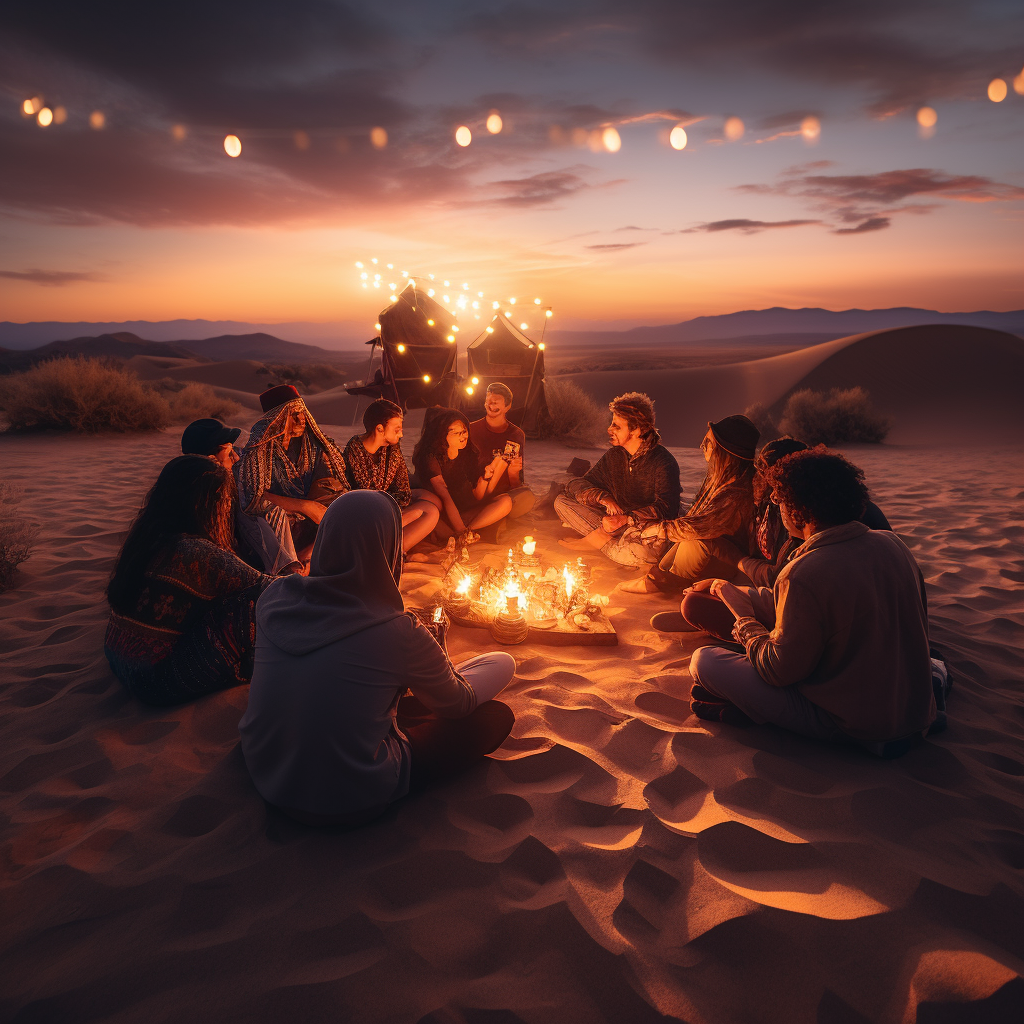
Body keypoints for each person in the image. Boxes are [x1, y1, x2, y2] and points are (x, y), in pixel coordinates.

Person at [238, 490, 517, 825]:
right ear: (391, 548)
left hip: (265, 771)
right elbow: (457, 705)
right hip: (350, 797)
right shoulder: (396, 629)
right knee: (495, 717)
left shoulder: (276, 596)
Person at [687, 447, 936, 753]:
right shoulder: (893, 544)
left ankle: (753, 713)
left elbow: (777, 671)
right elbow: (818, 606)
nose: (776, 508)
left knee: (705, 661)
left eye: (778, 500)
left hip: (855, 726)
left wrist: (744, 620)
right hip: (916, 712)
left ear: (798, 509)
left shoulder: (804, 571)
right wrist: (738, 593)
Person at [678, 439, 894, 637]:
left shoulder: (814, 536)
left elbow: (778, 665)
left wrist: (745, 624)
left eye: (766, 471)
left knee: (703, 654)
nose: (758, 476)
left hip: (823, 641)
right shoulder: (888, 545)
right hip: (825, 619)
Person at [104, 455, 273, 706]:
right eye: (225, 500)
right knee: (251, 605)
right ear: (204, 504)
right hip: (156, 683)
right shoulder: (195, 553)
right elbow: (274, 589)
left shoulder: (148, 537)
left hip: (120, 660)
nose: (228, 508)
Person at [618, 414, 758, 593]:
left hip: (731, 563)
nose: (702, 447)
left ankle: (664, 583)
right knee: (684, 533)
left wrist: (662, 529)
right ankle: (657, 576)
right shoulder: (723, 480)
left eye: (707, 443)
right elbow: (695, 519)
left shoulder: (737, 493)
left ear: (724, 450)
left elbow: (702, 526)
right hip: (719, 553)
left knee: (694, 538)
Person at [554, 392, 680, 567]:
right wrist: (602, 497)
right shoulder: (615, 455)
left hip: (642, 529)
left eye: (616, 426)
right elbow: (577, 484)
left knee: (644, 554)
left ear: (636, 430)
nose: (609, 429)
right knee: (562, 502)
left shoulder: (663, 462)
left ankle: (599, 541)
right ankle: (608, 542)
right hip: (611, 523)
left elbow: (668, 507)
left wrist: (627, 519)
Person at [236, 385, 349, 574]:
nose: (301, 419)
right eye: (293, 415)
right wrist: (304, 506)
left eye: (302, 413)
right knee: (272, 514)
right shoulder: (260, 451)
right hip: (278, 523)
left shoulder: (313, 446)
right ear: (276, 418)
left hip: (307, 522)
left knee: (342, 502)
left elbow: (328, 484)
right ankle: (290, 570)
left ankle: (309, 557)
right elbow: (255, 500)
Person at [343, 398, 440, 555]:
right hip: (367, 516)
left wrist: (399, 503)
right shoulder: (355, 450)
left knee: (432, 503)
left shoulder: (391, 449)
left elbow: (402, 486)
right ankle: (389, 552)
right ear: (380, 428)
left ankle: (395, 546)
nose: (401, 434)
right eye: (397, 429)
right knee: (428, 511)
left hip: (389, 505)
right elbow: (367, 494)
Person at [412, 407, 513, 540]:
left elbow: (477, 495)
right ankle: (461, 532)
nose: (463, 436)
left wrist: (485, 478)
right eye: (455, 433)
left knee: (506, 501)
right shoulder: (431, 457)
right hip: (443, 513)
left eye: (464, 431)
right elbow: (444, 496)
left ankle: (468, 531)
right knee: (442, 524)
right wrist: (460, 529)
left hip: (465, 509)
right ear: (442, 435)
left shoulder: (467, 452)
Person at [469, 383, 536, 521]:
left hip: (502, 495)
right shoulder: (471, 430)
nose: (492, 405)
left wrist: (513, 473)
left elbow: (516, 484)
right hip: (475, 493)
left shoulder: (516, 435)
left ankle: (493, 516)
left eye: (496, 402)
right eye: (489, 401)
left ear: (507, 406)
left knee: (526, 497)